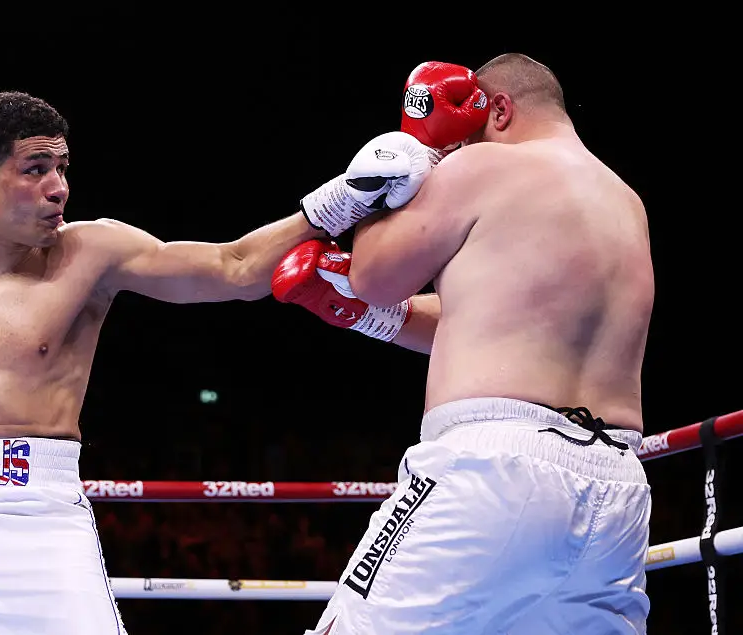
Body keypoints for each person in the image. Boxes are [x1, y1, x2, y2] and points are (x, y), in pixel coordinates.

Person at [0, 90, 442, 634]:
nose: (58, 187)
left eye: (62, 168)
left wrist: (342, 198)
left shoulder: (93, 253)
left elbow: (232, 267)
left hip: (35, 521)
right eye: (35, 170)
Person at [275, 55, 654, 634]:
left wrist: (408, 154)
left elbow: (374, 275)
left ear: (498, 109)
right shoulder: (628, 204)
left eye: (463, 134)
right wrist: (368, 318)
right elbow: (491, 319)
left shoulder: (485, 165)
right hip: (617, 491)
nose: (450, 154)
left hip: (494, 468)